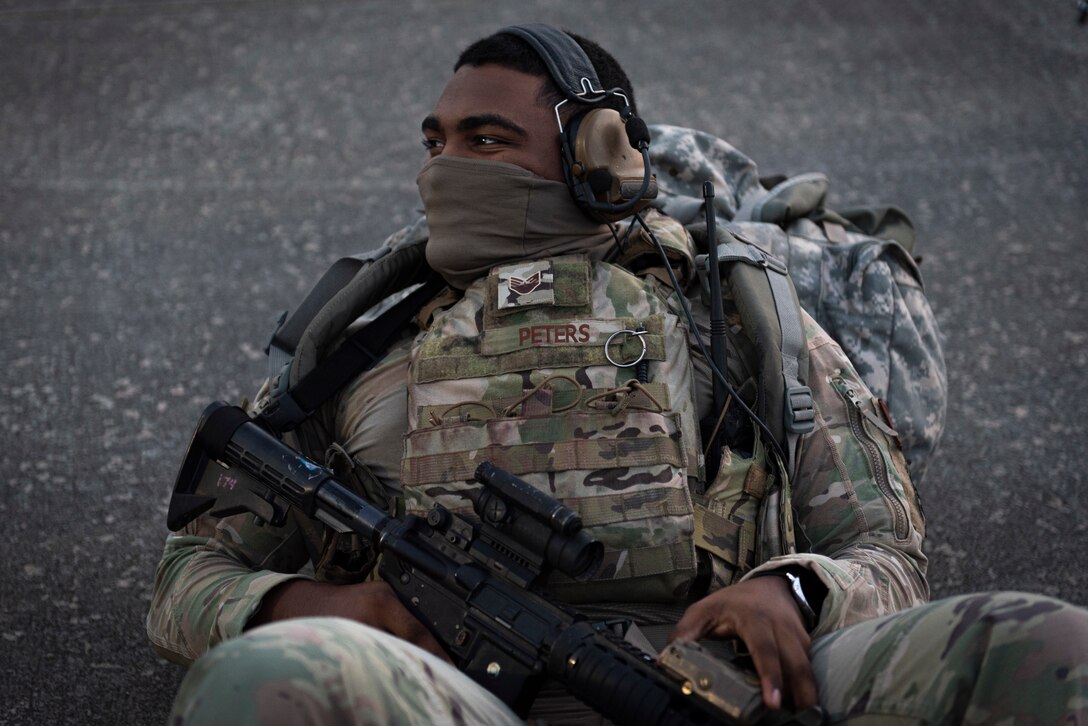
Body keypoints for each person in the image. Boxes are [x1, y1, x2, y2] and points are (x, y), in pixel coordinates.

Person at [148, 24, 1088, 725]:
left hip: (730, 687)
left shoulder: (737, 320)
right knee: (255, 685)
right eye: (435, 143)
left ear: (600, 154)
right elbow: (190, 574)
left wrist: (791, 593)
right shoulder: (364, 344)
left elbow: (887, 555)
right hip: (455, 701)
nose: (445, 168)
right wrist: (309, 603)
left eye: (485, 140)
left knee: (1044, 647)